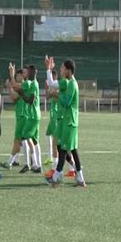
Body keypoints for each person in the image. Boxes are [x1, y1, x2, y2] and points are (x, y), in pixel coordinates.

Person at [45, 57, 86, 187]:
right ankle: (79, 178)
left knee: (64, 149)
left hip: (70, 122)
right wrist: (48, 69)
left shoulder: (72, 84)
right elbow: (53, 85)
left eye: (63, 68)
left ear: (69, 70)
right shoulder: (69, 82)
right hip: (66, 121)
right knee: (70, 150)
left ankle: (57, 176)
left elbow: (67, 102)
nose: (61, 70)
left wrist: (56, 95)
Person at [9, 63, 42, 173]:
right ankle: (37, 164)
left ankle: (31, 164)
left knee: (24, 137)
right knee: (33, 140)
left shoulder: (32, 84)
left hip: (32, 115)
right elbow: (15, 89)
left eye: (27, 71)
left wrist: (11, 74)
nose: (25, 73)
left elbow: (30, 100)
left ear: (32, 73)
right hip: (34, 115)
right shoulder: (31, 83)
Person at [0, 68, 27, 169]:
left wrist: (9, 87)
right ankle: (18, 160)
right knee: (22, 141)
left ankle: (10, 162)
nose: (16, 78)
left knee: (18, 140)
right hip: (21, 115)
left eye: (17, 76)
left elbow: (13, 97)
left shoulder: (23, 85)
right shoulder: (22, 86)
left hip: (23, 116)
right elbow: (14, 99)